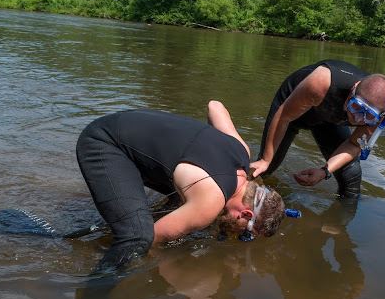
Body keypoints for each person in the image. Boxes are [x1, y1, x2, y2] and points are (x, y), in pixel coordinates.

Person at [76, 101, 285, 272]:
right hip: (103, 142)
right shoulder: (210, 203)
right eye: (245, 233)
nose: (238, 235)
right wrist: (169, 263)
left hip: (125, 122)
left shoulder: (242, 152)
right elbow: (153, 240)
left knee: (180, 201)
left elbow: (215, 106)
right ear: (246, 215)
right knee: (137, 237)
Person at [250, 59, 385, 198]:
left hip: (329, 121)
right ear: (354, 88)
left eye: (368, 116)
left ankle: (338, 222)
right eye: (356, 107)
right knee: (264, 169)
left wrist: (324, 171)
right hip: (290, 112)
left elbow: (353, 144)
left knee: (351, 177)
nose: (357, 119)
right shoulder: (322, 82)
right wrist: (265, 160)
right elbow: (283, 117)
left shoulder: (382, 113)